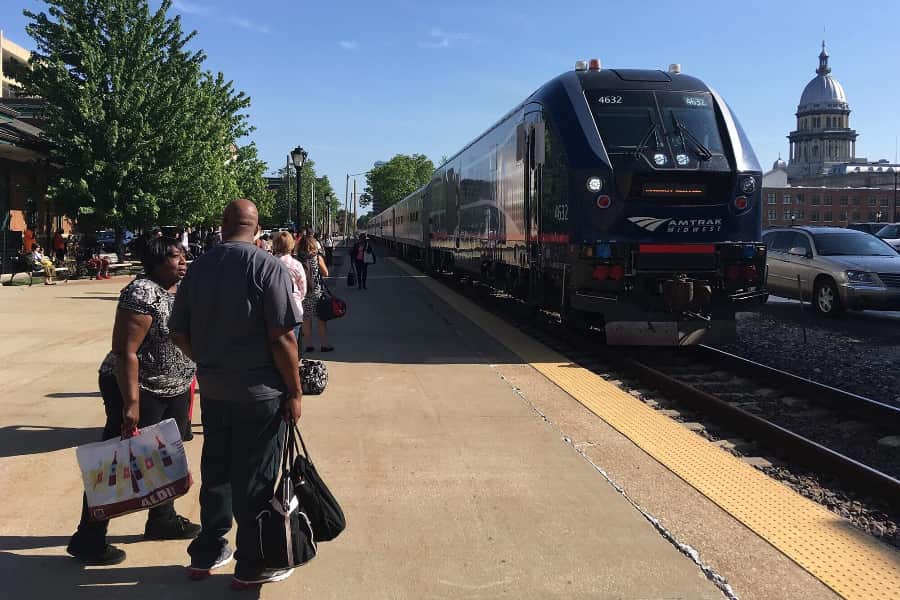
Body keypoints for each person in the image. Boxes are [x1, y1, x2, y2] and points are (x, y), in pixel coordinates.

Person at [170, 199, 302, 587]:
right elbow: (283, 338)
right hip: (261, 394)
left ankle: (207, 551)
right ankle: (251, 563)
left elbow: (178, 332)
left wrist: (209, 359)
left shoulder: (198, 270)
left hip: (214, 390)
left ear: (223, 225)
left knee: (217, 470)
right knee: (256, 479)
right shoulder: (268, 267)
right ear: (256, 227)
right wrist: (294, 391)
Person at [66, 238, 200, 566]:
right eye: (175, 256)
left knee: (164, 455)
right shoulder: (140, 292)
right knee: (117, 461)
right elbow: (125, 350)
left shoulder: (175, 290)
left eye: (184, 256)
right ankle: (89, 537)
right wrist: (131, 403)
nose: (183, 262)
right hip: (139, 387)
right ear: (155, 262)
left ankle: (162, 519)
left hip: (172, 387)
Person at [272, 231, 307, 356]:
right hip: (294, 310)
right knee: (293, 348)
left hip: (273, 310)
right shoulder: (296, 265)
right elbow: (303, 290)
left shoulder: (268, 263)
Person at [297, 234, 332, 353]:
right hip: (317, 292)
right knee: (321, 320)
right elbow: (326, 273)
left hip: (304, 293)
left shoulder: (298, 259)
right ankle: (324, 345)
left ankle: (309, 345)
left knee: (306, 320)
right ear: (312, 245)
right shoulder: (316, 258)